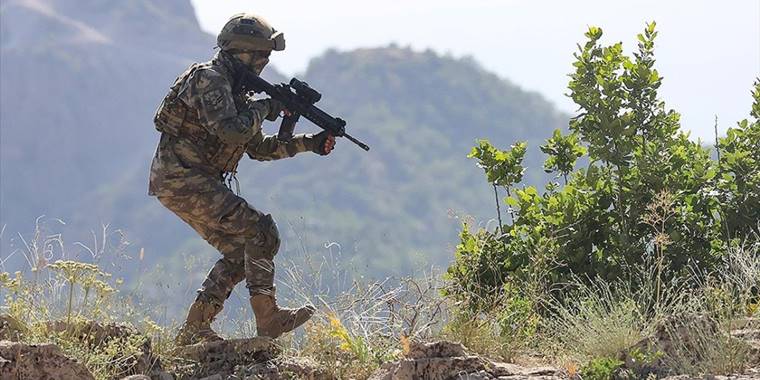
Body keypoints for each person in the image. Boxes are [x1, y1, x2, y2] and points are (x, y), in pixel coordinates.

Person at [148, 13, 335, 345]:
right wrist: (267, 107)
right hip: (181, 178)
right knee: (261, 231)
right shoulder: (210, 79)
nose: (264, 62)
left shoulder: (236, 93)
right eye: (261, 55)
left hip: (188, 180)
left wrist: (310, 143)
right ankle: (269, 318)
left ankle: (195, 328)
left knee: (242, 253)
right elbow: (232, 132)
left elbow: (259, 148)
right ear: (240, 52)